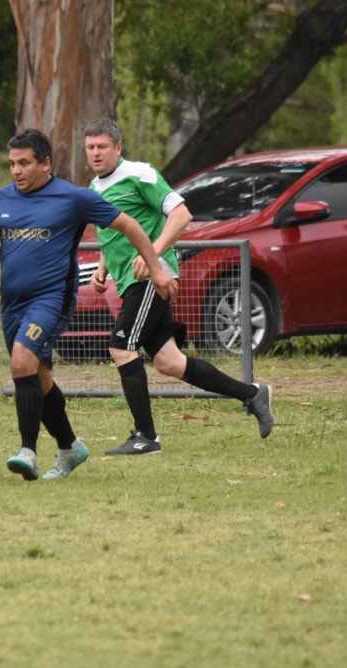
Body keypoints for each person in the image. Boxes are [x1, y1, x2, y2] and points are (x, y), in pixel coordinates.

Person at [0, 128, 178, 481]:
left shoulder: (73, 198)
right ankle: (70, 447)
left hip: (51, 300)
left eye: (24, 163)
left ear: (45, 163)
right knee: (38, 378)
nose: (16, 171)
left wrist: (155, 267)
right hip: (12, 304)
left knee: (21, 359)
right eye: (12, 163)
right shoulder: (1, 200)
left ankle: (27, 450)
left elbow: (130, 225)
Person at [83, 118, 273, 455]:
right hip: (129, 281)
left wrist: (154, 257)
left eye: (102, 147)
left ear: (118, 148)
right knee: (169, 362)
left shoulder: (140, 174)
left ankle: (146, 437)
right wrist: (102, 267)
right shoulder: (95, 188)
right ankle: (252, 394)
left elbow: (182, 215)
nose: (95, 153)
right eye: (90, 147)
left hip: (152, 277)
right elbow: (118, 231)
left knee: (121, 348)